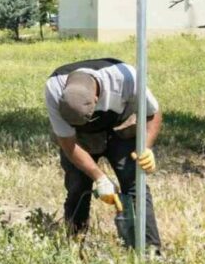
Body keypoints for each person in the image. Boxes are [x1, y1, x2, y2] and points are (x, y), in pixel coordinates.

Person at [44, 58, 162, 249]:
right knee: (78, 188)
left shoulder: (127, 77)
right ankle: (74, 245)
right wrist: (100, 178)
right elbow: (68, 143)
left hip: (120, 126)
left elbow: (153, 113)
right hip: (80, 138)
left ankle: (149, 251)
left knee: (135, 186)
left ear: (97, 100)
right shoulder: (54, 87)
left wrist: (146, 147)